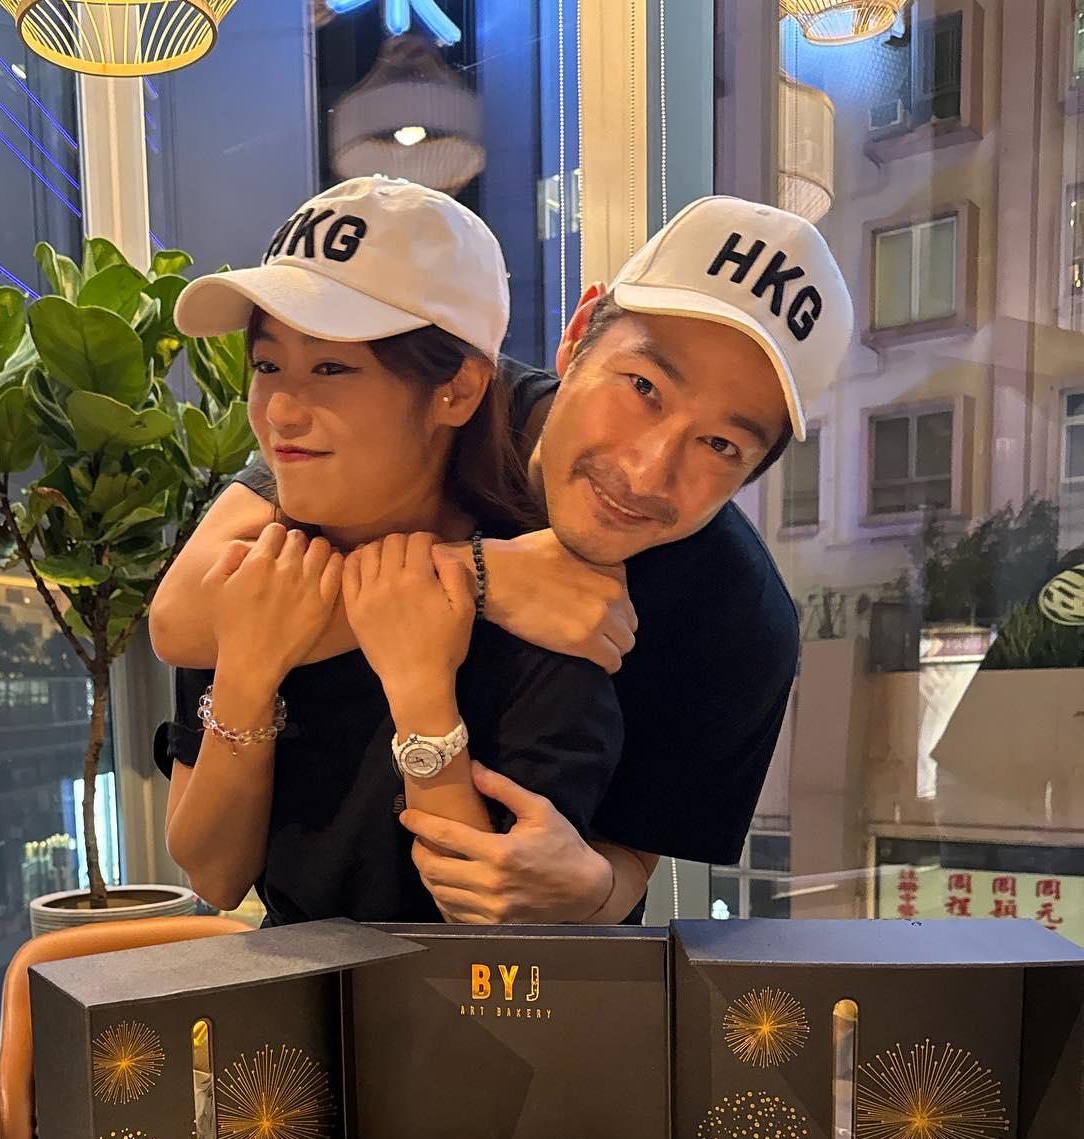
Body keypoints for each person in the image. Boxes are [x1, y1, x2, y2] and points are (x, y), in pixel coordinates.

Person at [150, 194, 853, 924]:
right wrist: (484, 576)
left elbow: (621, 864)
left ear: (757, 469)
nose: (646, 472)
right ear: (577, 336)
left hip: (522, 974)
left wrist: (585, 889)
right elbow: (179, 620)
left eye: (721, 445)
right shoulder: (411, 431)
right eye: (643, 388)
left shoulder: (734, 620)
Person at [154, 176, 623, 925]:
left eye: (331, 369)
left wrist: (421, 694)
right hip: (297, 994)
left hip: (473, 998)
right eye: (268, 366)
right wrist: (247, 673)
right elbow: (214, 874)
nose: (280, 411)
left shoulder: (541, 602)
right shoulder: (249, 574)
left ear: (456, 391)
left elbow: (501, 930)